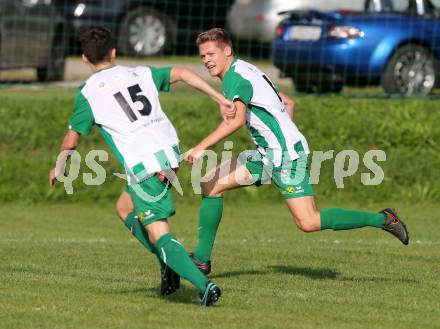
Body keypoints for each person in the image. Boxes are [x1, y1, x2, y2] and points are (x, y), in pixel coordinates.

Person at [185, 28, 409, 275]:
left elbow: (236, 121)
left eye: (211, 53)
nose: (206, 60)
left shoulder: (236, 78)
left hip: (286, 157)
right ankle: (201, 260)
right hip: (268, 154)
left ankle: (384, 219)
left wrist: (200, 147)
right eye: (203, 56)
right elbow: (287, 102)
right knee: (210, 184)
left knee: (308, 221)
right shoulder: (244, 69)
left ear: (227, 50)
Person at [49, 27, 234, 306]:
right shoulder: (139, 72)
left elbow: (71, 140)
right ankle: (169, 261)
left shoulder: (87, 92)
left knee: (159, 231)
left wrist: (59, 166)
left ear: (85, 58)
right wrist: (219, 98)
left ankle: (204, 287)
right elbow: (183, 73)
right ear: (113, 52)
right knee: (124, 208)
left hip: (144, 164)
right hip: (169, 152)